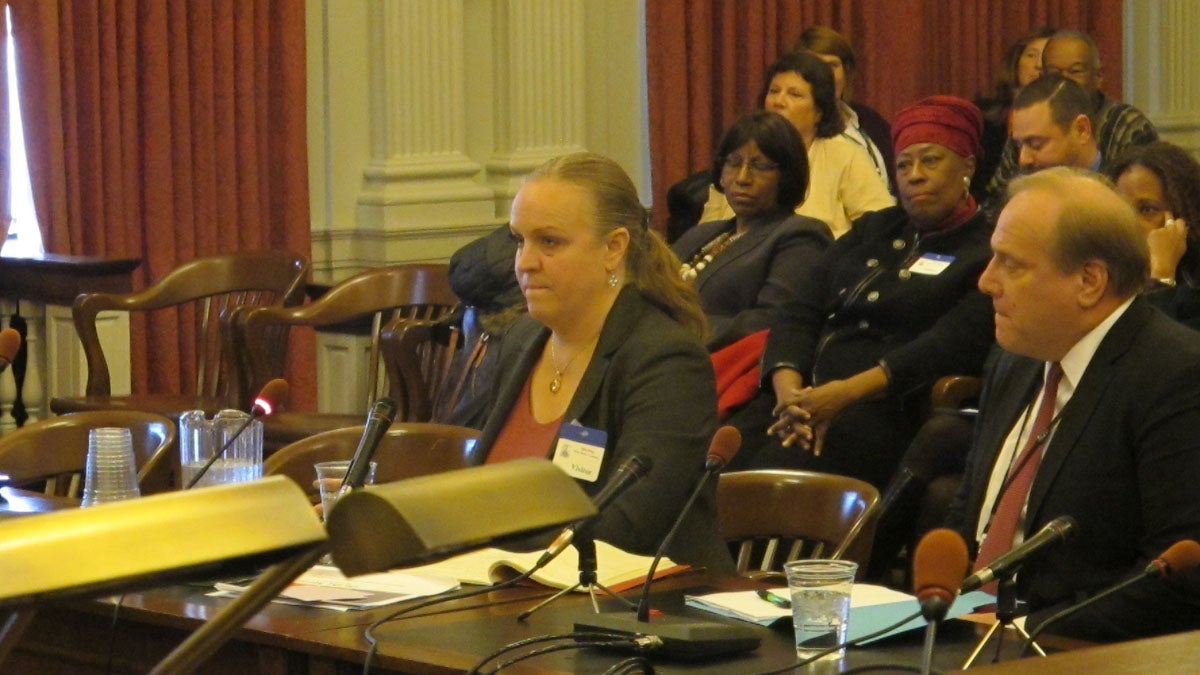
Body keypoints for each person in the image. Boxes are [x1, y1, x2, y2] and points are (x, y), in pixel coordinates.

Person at [948, 167, 1200, 641]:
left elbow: (1177, 577)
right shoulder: (1017, 356)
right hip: (966, 632)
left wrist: (1022, 634)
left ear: (1089, 281)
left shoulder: (1177, 377)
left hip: (1077, 649)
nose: (986, 281)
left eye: (1011, 264)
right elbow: (972, 512)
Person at [471, 152, 732, 571]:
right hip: (510, 601)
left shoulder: (665, 360)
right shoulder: (520, 341)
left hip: (639, 614)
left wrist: (499, 551)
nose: (525, 262)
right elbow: (474, 497)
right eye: (520, 240)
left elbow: (627, 526)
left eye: (549, 242)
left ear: (614, 247)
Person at [724, 96, 995, 492]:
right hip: (801, 399)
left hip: (882, 408)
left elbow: (946, 345)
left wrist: (843, 394)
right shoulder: (874, 230)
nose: (914, 175)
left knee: (776, 475)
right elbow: (799, 310)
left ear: (968, 166)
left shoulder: (985, 249)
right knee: (713, 464)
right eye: (903, 164)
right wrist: (789, 392)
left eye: (931, 161)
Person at [672, 110, 832, 350]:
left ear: (787, 175)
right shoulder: (701, 234)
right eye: (733, 163)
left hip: (726, 370)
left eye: (759, 166)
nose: (742, 178)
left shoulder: (802, 236)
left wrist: (674, 331)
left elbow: (770, 322)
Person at [698, 51, 895, 239]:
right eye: (774, 91)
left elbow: (882, 226)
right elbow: (708, 230)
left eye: (794, 95)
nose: (779, 102)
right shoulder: (740, 156)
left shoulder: (845, 155)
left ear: (819, 111)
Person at [984, 29, 1158, 201]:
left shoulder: (1128, 126)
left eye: (1075, 71)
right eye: (1054, 73)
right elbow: (995, 200)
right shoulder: (1031, 125)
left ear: (1098, 76)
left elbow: (1141, 205)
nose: (1064, 80)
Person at [1108, 141, 1200, 330]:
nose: (1130, 221)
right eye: (1121, 208)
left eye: (1147, 209)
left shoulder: (1194, 292)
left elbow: (1158, 353)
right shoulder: (1104, 276)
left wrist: (1162, 275)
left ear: (1183, 215)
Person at [793, 25, 893, 187]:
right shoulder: (796, 131)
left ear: (846, 72)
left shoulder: (870, 120)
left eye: (832, 66)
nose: (825, 75)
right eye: (815, 66)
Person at [974, 26, 1056, 200]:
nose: (1038, 65)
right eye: (1031, 55)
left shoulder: (1063, 116)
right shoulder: (982, 118)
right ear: (1017, 61)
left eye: (1045, 57)